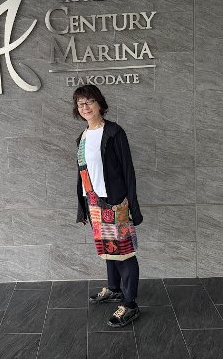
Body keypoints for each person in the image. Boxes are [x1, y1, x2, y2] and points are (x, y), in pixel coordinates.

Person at [73, 84, 143, 328]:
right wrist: (83, 205)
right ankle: (114, 289)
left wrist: (132, 206)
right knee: (107, 249)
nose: (85, 107)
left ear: (99, 103)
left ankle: (130, 304)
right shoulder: (82, 137)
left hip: (114, 202)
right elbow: (82, 173)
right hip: (93, 201)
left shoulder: (114, 132)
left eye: (89, 101)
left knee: (124, 253)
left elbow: (128, 170)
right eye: (80, 104)